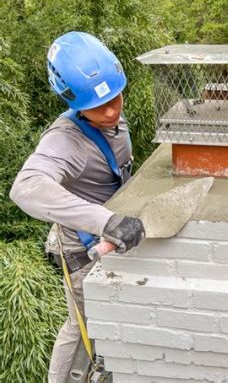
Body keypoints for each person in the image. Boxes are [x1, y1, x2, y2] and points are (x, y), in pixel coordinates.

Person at [10, 31, 145, 383]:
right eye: (100, 106)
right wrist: (105, 220)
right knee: (82, 323)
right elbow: (26, 188)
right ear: (74, 102)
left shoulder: (108, 114)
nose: (113, 110)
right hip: (83, 248)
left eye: (117, 97)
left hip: (109, 232)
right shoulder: (64, 140)